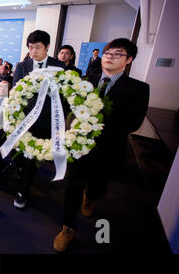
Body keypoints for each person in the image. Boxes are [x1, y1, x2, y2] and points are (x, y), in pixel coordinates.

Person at [53, 38, 150, 252]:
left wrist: (98, 117)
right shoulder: (87, 79)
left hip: (108, 149)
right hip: (78, 146)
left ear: (129, 59)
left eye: (117, 54)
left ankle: (91, 197)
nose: (109, 57)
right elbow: (71, 106)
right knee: (71, 187)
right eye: (107, 53)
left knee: (97, 185)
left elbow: (134, 122)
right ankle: (68, 227)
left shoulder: (138, 88)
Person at [11, 30, 65, 210]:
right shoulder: (22, 66)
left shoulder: (59, 66)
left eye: (38, 47)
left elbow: (64, 97)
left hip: (45, 122)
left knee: (32, 158)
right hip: (24, 120)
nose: (33, 51)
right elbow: (15, 95)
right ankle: (23, 175)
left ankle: (23, 190)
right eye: (30, 47)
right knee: (21, 156)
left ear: (47, 47)